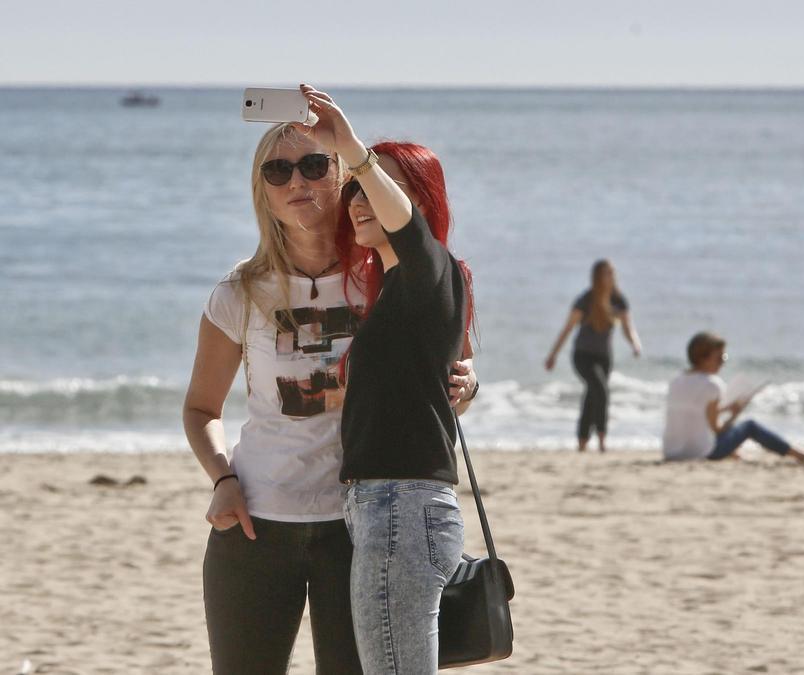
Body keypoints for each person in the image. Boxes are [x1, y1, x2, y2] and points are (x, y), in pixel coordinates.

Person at [182, 84, 477, 674]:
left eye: (315, 165)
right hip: (257, 523)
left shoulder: (390, 276)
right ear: (261, 192)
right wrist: (222, 479)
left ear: (346, 180)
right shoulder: (237, 293)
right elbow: (201, 409)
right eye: (278, 170)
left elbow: (437, 384)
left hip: (359, 527)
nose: (297, 182)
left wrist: (467, 388)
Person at [310, 86, 474, 674]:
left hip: (401, 506)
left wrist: (351, 146)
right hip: (388, 507)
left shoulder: (431, 266)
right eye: (354, 189)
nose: (357, 200)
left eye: (374, 187)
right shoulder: (404, 292)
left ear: (417, 204)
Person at [662, 332, 804, 463]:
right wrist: (735, 414)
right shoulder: (712, 384)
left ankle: (734, 453)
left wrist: (725, 408)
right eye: (720, 358)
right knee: (750, 426)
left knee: (719, 435)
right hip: (702, 453)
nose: (723, 363)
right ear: (703, 358)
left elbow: (695, 412)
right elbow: (717, 430)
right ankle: (800, 455)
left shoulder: (676, 380)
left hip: (671, 452)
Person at [545, 259, 642, 452]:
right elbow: (568, 328)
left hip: (604, 357)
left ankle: (582, 441)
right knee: (600, 390)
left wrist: (635, 344)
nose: (611, 276)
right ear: (597, 276)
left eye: (612, 272)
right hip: (582, 356)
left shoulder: (619, 300)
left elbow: (628, 327)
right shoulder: (586, 299)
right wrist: (553, 355)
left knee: (592, 395)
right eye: (607, 273)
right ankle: (602, 440)